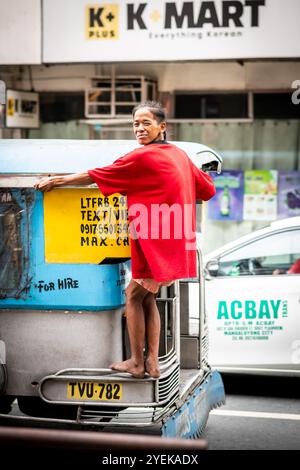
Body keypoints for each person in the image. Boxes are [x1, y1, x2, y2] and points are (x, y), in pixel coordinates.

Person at [34, 101, 216, 379]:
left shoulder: (141, 158)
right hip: (174, 243)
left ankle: (137, 362)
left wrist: (58, 181)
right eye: (135, 124)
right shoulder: (179, 155)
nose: (140, 129)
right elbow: (208, 189)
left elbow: (93, 175)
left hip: (155, 243)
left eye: (146, 123)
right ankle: (152, 363)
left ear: (162, 127)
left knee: (132, 295)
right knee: (147, 297)